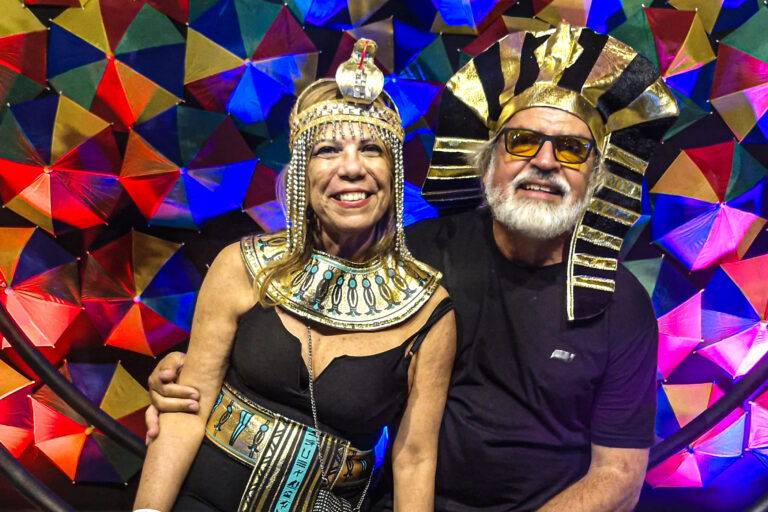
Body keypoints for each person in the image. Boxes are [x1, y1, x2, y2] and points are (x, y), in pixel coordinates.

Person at [145, 24, 678, 512]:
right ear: (488, 162)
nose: (544, 162)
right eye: (522, 142)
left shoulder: (621, 303)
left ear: (596, 175)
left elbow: (618, 477)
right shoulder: (417, 256)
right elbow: (295, 320)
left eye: (572, 149)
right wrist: (186, 380)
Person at [133, 38, 455, 512]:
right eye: (328, 150)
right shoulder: (241, 266)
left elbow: (414, 458)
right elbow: (185, 411)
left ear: (393, 171)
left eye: (371, 149)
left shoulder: (429, 309)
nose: (352, 168)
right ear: (302, 172)